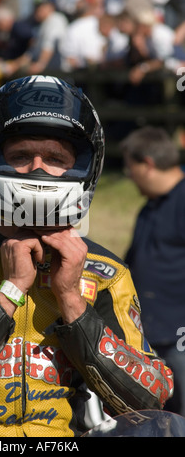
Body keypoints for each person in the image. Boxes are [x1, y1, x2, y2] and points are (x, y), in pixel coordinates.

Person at [0, 76, 173, 437]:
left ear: (84, 167)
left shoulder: (105, 271)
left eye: (55, 158)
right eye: (21, 156)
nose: (37, 170)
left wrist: (71, 300)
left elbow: (150, 399)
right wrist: (9, 293)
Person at [120, 126, 185, 417]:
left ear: (147, 164)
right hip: (151, 337)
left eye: (130, 167)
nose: (128, 175)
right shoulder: (151, 207)